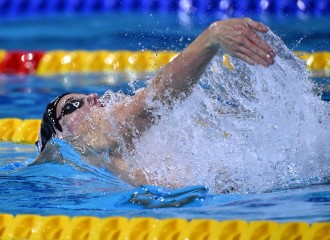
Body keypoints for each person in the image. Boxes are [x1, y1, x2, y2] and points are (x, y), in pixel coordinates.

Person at [36, 18, 276, 186]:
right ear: (61, 133)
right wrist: (211, 38)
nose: (91, 97)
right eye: (72, 106)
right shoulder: (84, 140)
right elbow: (154, 100)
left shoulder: (100, 155)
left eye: (82, 97)